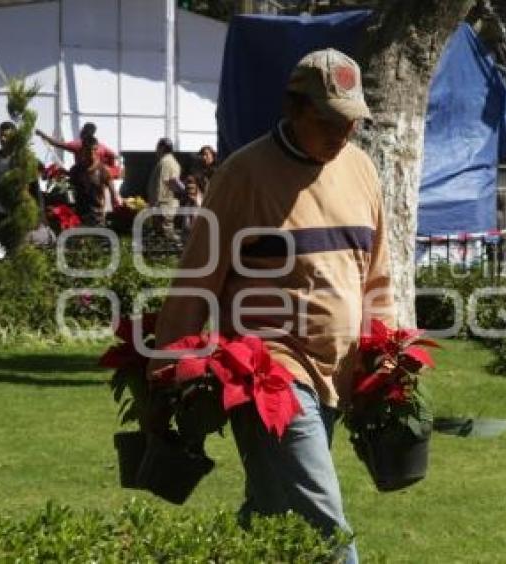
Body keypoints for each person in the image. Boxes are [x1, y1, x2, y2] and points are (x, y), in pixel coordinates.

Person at [149, 48, 394, 564]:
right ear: (294, 108)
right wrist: (167, 370)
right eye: (328, 119)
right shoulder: (242, 175)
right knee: (324, 521)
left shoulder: (362, 170)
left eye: (351, 121)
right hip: (271, 374)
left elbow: (378, 275)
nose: (342, 133)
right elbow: (197, 279)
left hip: (339, 374)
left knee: (269, 510)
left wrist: (387, 355)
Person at [0, 121, 44, 238]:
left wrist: (39, 216)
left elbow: (35, 188)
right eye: (1, 136)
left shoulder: (23, 158)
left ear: (14, 137)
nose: (3, 139)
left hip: (15, 212)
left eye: (6, 136)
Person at [36, 122, 122, 179]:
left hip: (83, 177)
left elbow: (56, 143)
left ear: (83, 131)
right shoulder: (101, 146)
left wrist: (42, 134)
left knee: (67, 171)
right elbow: (114, 156)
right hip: (98, 176)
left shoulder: (78, 145)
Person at [69, 137, 119, 226]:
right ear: (83, 150)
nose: (92, 153)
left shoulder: (104, 170)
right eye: (88, 150)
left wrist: (115, 216)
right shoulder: (75, 170)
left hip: (98, 217)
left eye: (94, 150)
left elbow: (113, 195)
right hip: (79, 217)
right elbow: (71, 191)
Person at [146, 137, 182, 244]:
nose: (156, 150)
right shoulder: (166, 161)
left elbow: (170, 182)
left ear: (162, 148)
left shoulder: (167, 162)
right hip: (162, 204)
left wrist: (158, 204)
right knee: (162, 235)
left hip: (164, 204)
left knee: (166, 235)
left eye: (157, 147)